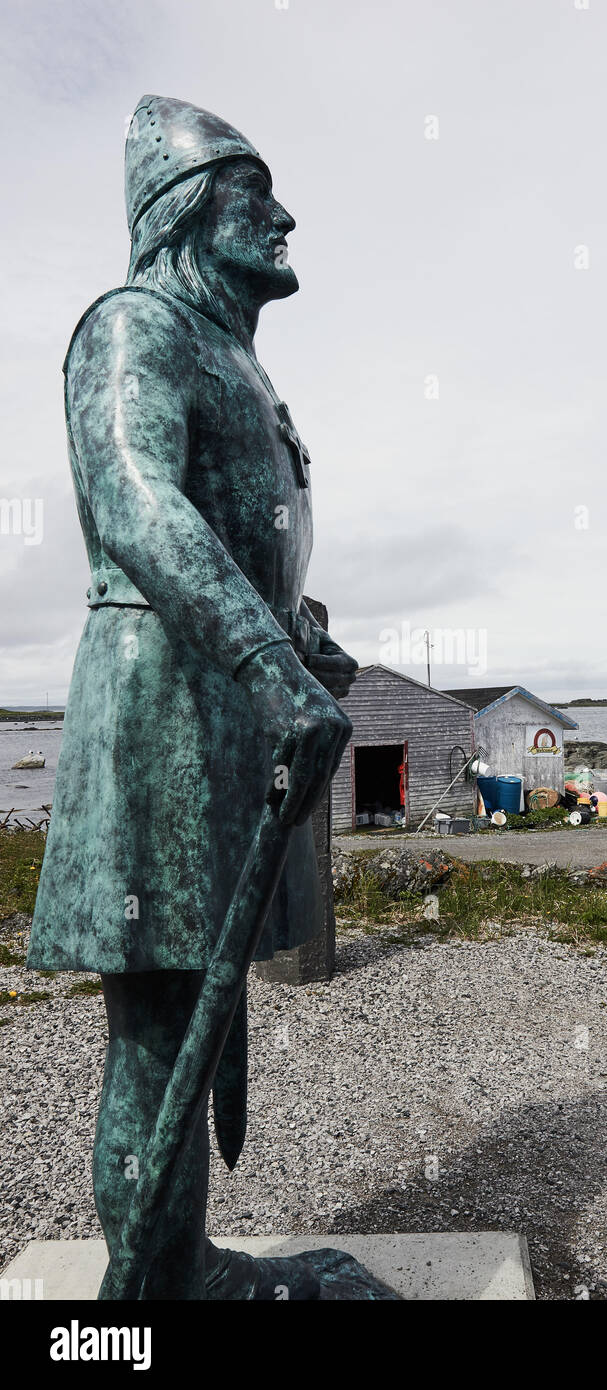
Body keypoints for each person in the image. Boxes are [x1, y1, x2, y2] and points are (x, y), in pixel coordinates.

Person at [28, 95, 396, 1299]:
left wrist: (301, 639)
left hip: (231, 712)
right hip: (162, 708)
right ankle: (148, 1299)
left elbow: (236, 545)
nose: (284, 218)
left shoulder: (237, 360)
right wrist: (264, 660)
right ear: (187, 209)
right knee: (157, 1035)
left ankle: (182, 1270)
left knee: (199, 1004)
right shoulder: (133, 325)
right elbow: (136, 504)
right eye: (255, 196)